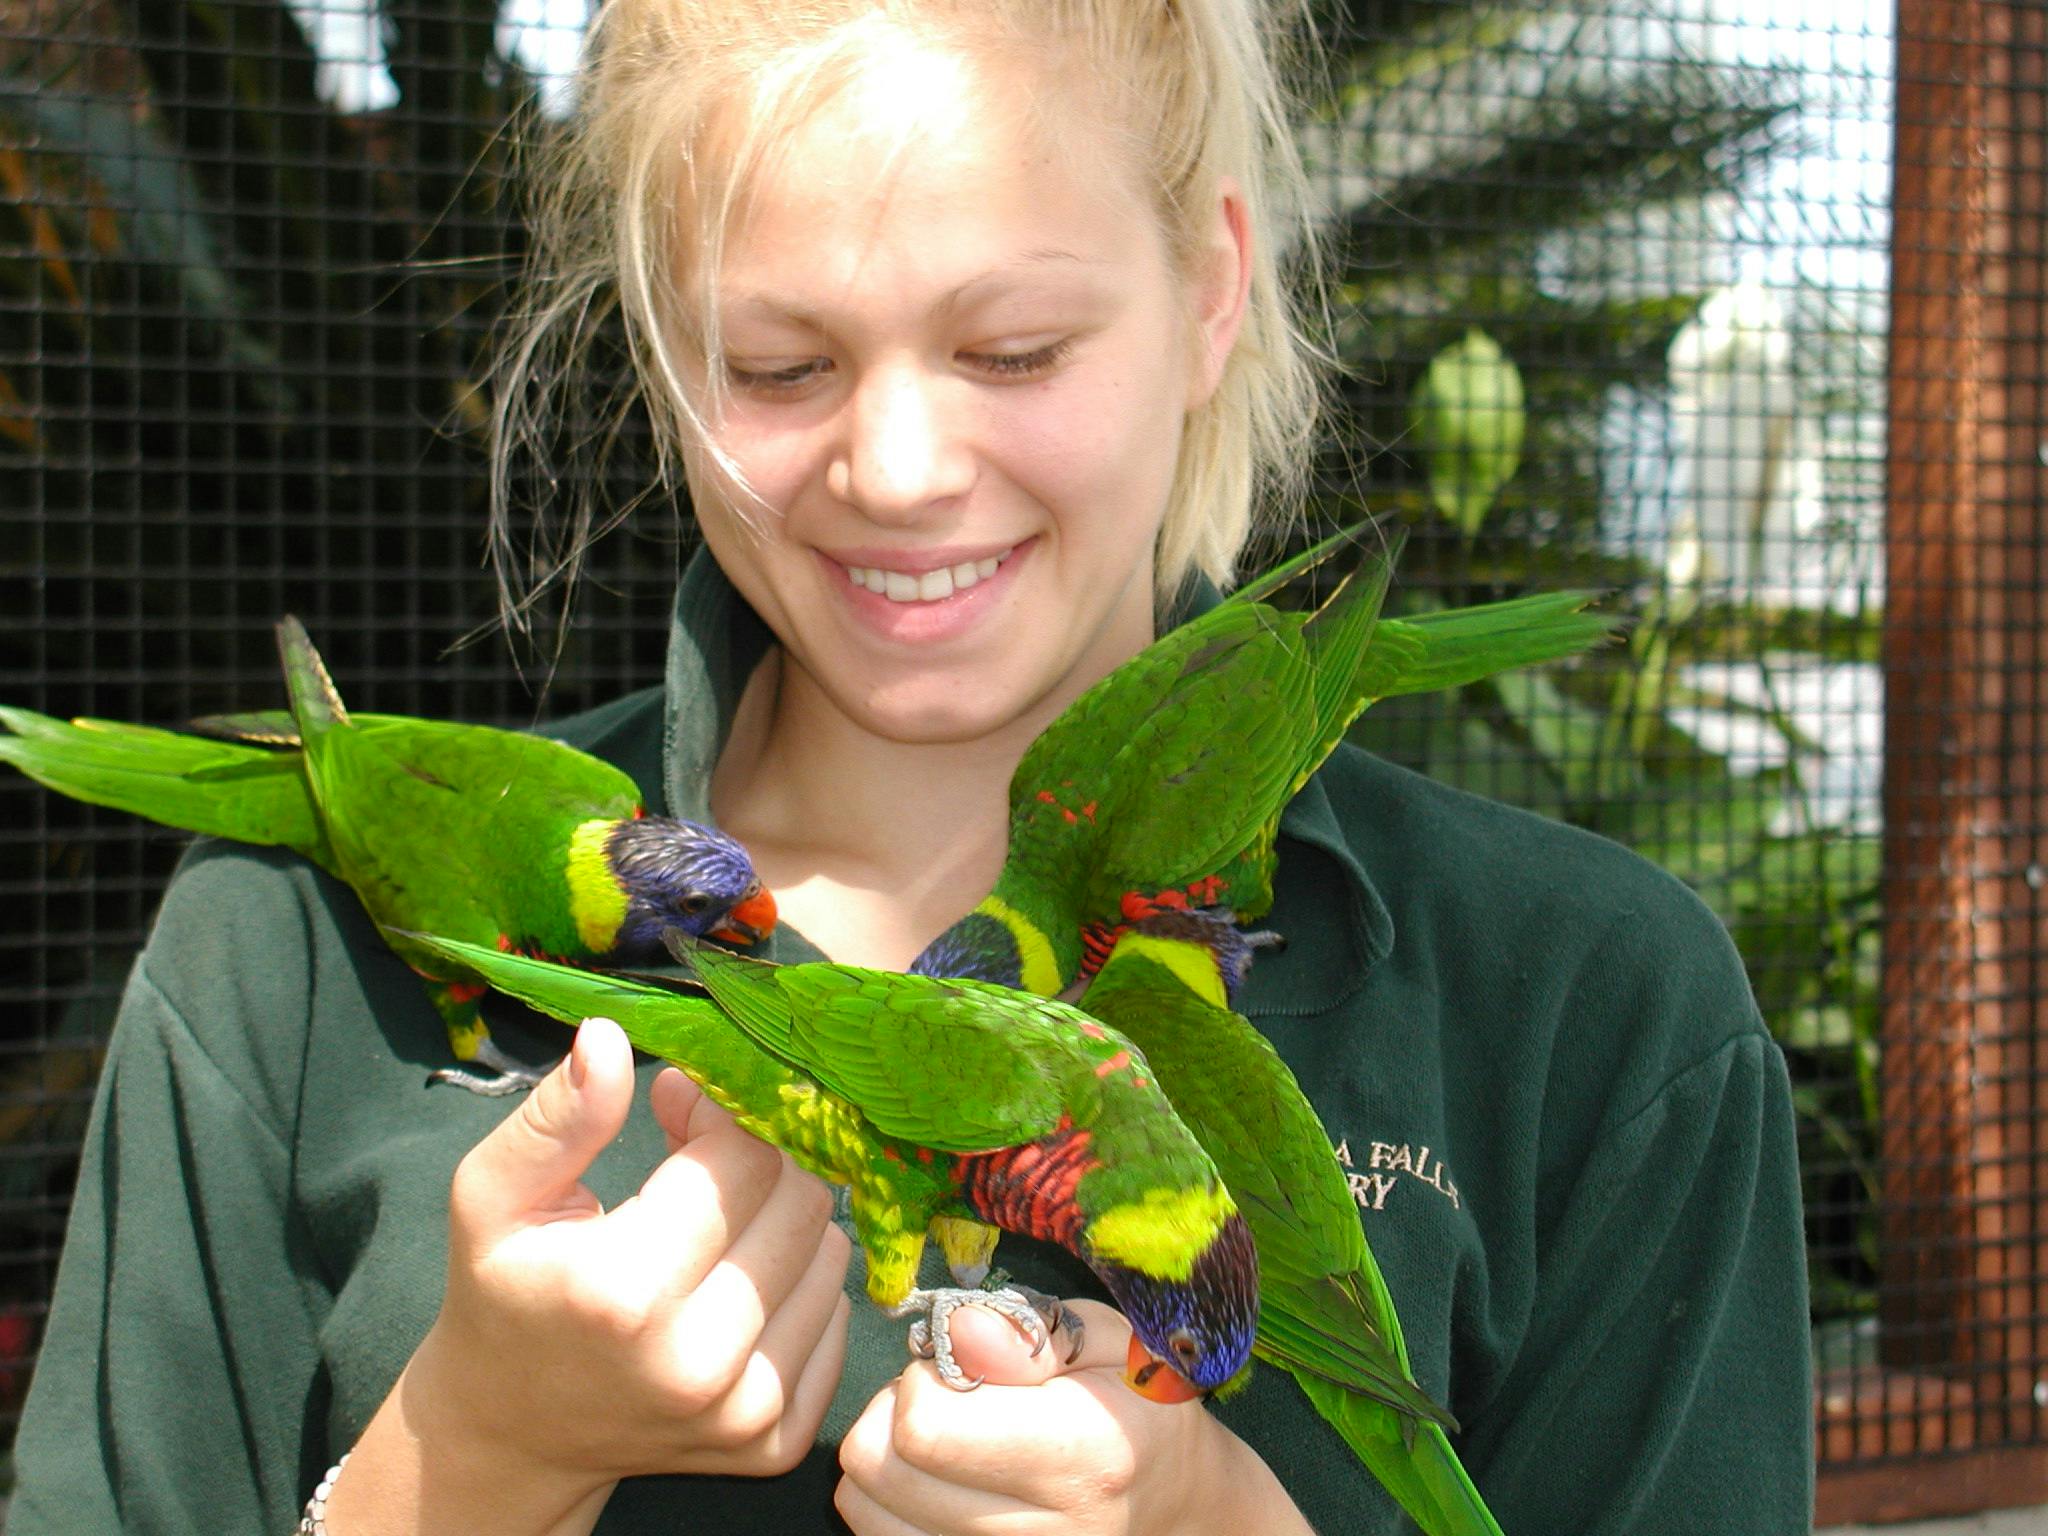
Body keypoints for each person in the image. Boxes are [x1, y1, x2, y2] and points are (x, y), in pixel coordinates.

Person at [9, 1, 1816, 1532]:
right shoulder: (301, 959)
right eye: (778, 365)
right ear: (658, 360)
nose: (895, 466)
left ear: (1208, 293)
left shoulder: (1589, 1019)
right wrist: (467, 1460)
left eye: (1010, 347)